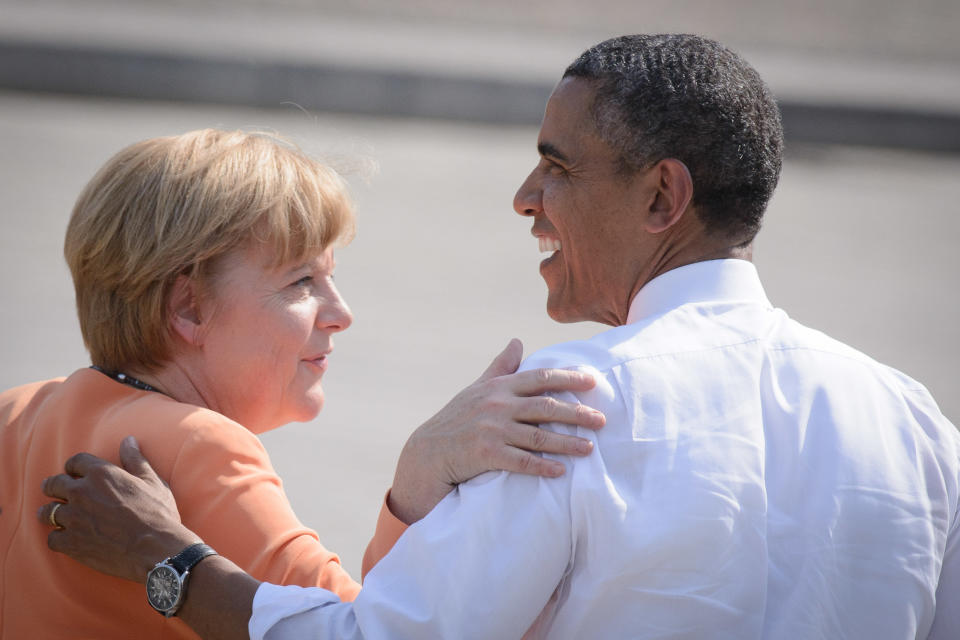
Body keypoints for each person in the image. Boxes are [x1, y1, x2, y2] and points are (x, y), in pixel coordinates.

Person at [39, 34, 960, 639]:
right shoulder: (916, 423)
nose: (525, 198)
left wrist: (170, 564)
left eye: (556, 169)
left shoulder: (570, 407)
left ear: (662, 198)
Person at [0, 129, 608, 639]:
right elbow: (364, 631)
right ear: (189, 307)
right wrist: (422, 474)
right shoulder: (201, 445)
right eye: (301, 282)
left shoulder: (20, 410)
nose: (341, 312)